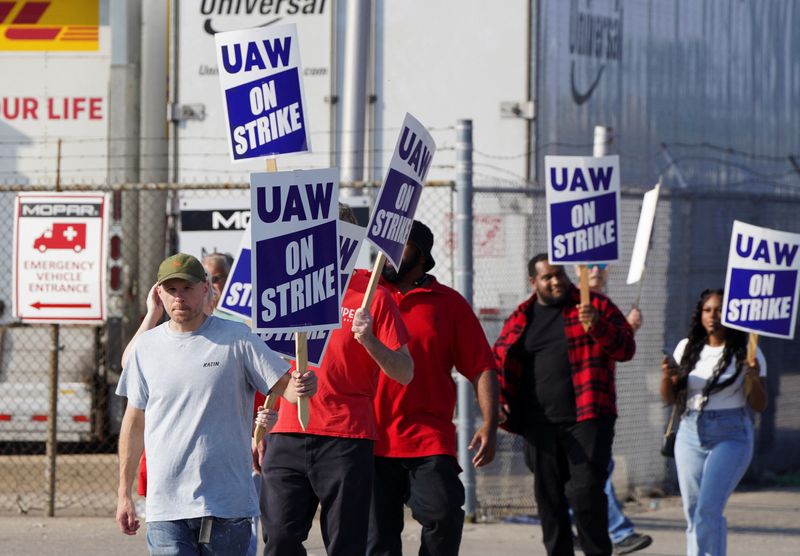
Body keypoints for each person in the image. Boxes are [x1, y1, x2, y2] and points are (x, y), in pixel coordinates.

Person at [115, 253, 318, 555]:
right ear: (159, 293)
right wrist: (124, 492)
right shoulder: (145, 348)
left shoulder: (237, 339)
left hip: (226, 505)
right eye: (171, 290)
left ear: (205, 288)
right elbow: (134, 422)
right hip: (167, 508)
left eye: (187, 288)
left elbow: (287, 390)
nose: (179, 297)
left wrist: (302, 385)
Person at [258, 204, 413, 556]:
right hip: (287, 432)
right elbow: (263, 362)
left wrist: (370, 340)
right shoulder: (287, 286)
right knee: (279, 538)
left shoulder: (371, 294)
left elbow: (405, 371)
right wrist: (263, 420)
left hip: (346, 437)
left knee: (345, 544)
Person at [368, 220, 499, 556]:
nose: (388, 255)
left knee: (444, 517)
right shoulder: (366, 297)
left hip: (427, 437)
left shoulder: (449, 303)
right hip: (369, 438)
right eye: (386, 246)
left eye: (400, 246)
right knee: (375, 539)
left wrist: (490, 423)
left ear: (422, 256)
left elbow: (481, 365)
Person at [493, 254, 635, 556]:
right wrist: (501, 401)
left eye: (559, 274)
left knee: (585, 492)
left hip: (588, 416)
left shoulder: (594, 305)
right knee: (549, 499)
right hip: (538, 423)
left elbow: (625, 348)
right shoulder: (522, 316)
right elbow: (500, 362)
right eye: (547, 277)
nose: (556, 281)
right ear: (534, 282)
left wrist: (597, 326)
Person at [661, 288, 767, 556]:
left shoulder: (747, 351)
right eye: (708, 310)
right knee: (693, 511)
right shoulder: (687, 348)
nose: (713, 316)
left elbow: (759, 404)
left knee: (708, 508)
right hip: (690, 431)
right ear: (700, 314)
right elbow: (671, 398)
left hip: (731, 434)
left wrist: (752, 377)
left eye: (719, 310)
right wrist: (668, 376)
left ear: (731, 313)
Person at [571, 264, 651, 555]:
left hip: (597, 404)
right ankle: (617, 531)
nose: (594, 269)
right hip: (575, 406)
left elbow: (615, 348)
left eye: (600, 264)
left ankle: (584, 528)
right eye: (587, 264)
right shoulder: (572, 305)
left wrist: (627, 330)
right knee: (593, 471)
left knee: (591, 472)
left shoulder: (604, 307)